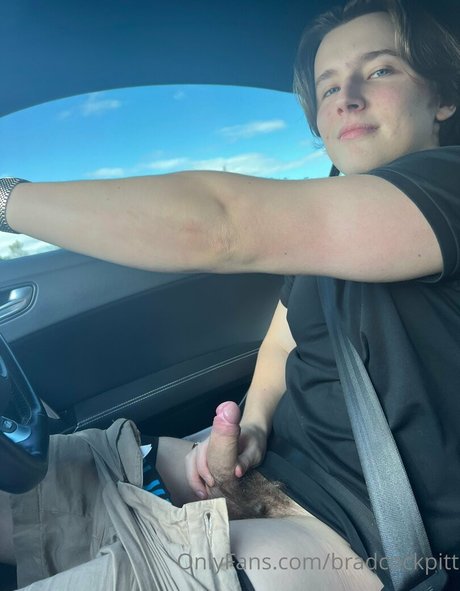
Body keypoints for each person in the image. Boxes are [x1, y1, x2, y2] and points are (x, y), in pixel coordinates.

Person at [0, 0, 459, 588]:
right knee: (29, 479)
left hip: (341, 536)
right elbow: (281, 347)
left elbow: (222, 226)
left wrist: (7, 199)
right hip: (260, 480)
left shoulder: (448, 185)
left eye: (380, 70)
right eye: (327, 86)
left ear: (442, 98)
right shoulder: (330, 222)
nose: (346, 97)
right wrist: (255, 428)